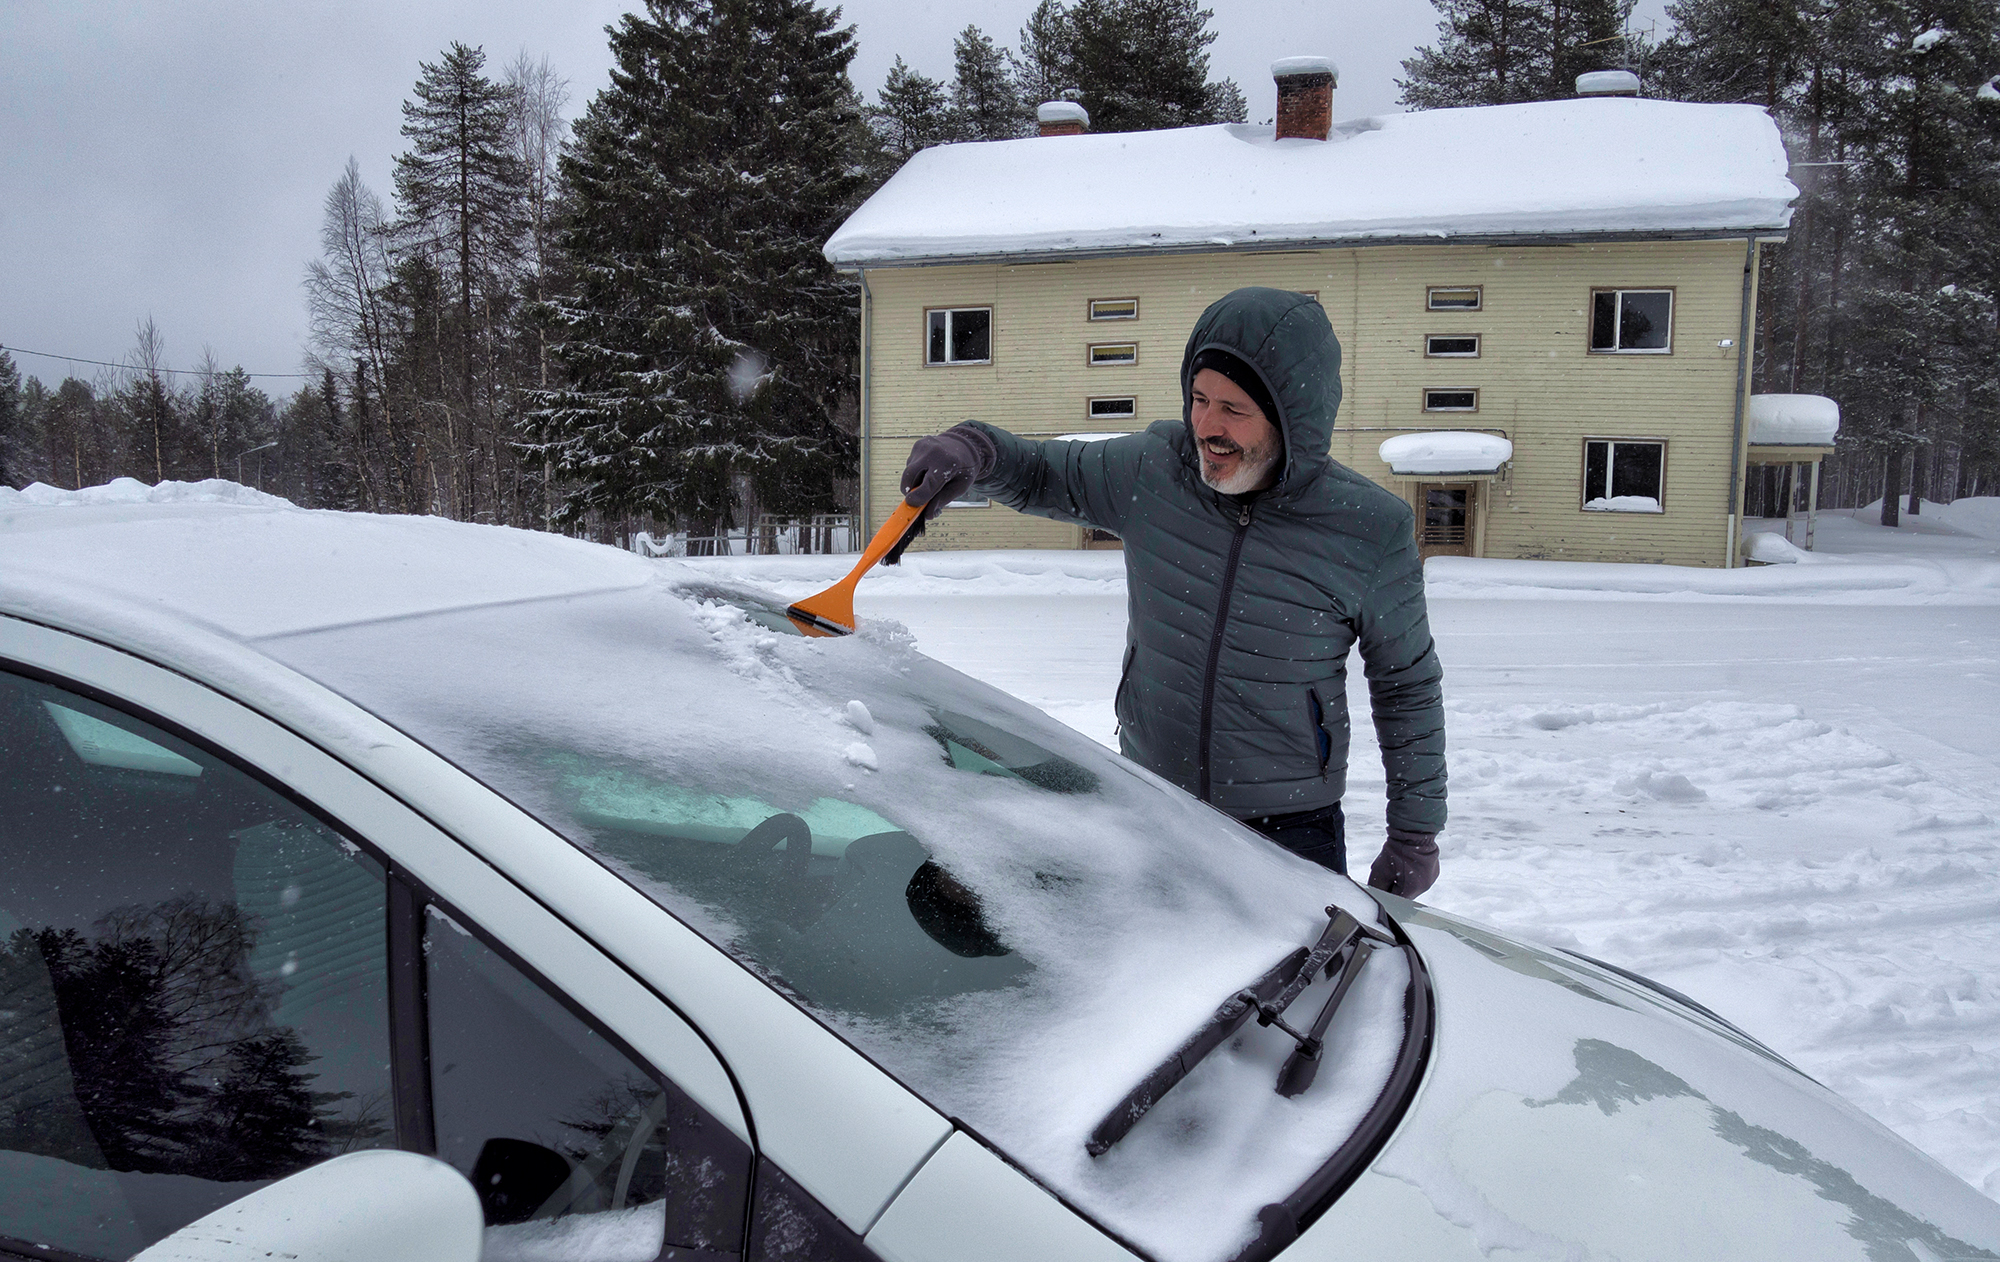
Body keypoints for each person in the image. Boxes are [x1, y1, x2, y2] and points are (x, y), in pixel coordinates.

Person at [899, 287, 1445, 897]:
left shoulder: (1368, 530)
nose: (1207, 425)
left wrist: (1414, 836)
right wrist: (974, 448)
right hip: (1151, 802)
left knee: (1298, 992)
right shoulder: (1155, 471)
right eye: (1199, 398)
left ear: (1294, 418)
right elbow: (1040, 472)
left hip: (1288, 832)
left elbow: (1406, 686)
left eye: (1234, 409)